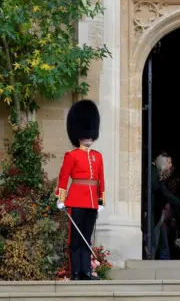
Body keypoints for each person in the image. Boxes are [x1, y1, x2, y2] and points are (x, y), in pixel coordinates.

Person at [55, 99, 104, 281]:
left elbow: (101, 182)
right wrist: (61, 198)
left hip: (92, 201)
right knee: (75, 239)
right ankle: (75, 271)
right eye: (85, 134)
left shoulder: (98, 157)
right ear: (78, 134)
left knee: (86, 238)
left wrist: (101, 202)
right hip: (75, 199)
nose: (88, 137)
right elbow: (63, 177)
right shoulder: (71, 155)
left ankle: (86, 271)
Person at [149, 152, 180, 260]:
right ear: (163, 163)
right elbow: (162, 191)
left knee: (160, 239)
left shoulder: (158, 174)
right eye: (169, 163)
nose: (170, 165)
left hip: (158, 212)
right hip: (151, 211)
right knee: (153, 237)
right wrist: (179, 202)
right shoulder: (153, 172)